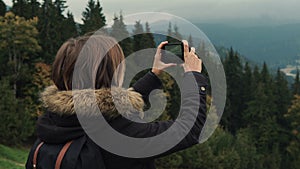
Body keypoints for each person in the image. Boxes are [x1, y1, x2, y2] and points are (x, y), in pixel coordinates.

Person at [26, 34, 208, 169]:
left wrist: (153, 75)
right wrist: (193, 77)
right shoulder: (120, 137)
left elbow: (104, 108)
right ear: (110, 73)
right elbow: (191, 129)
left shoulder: (55, 120)